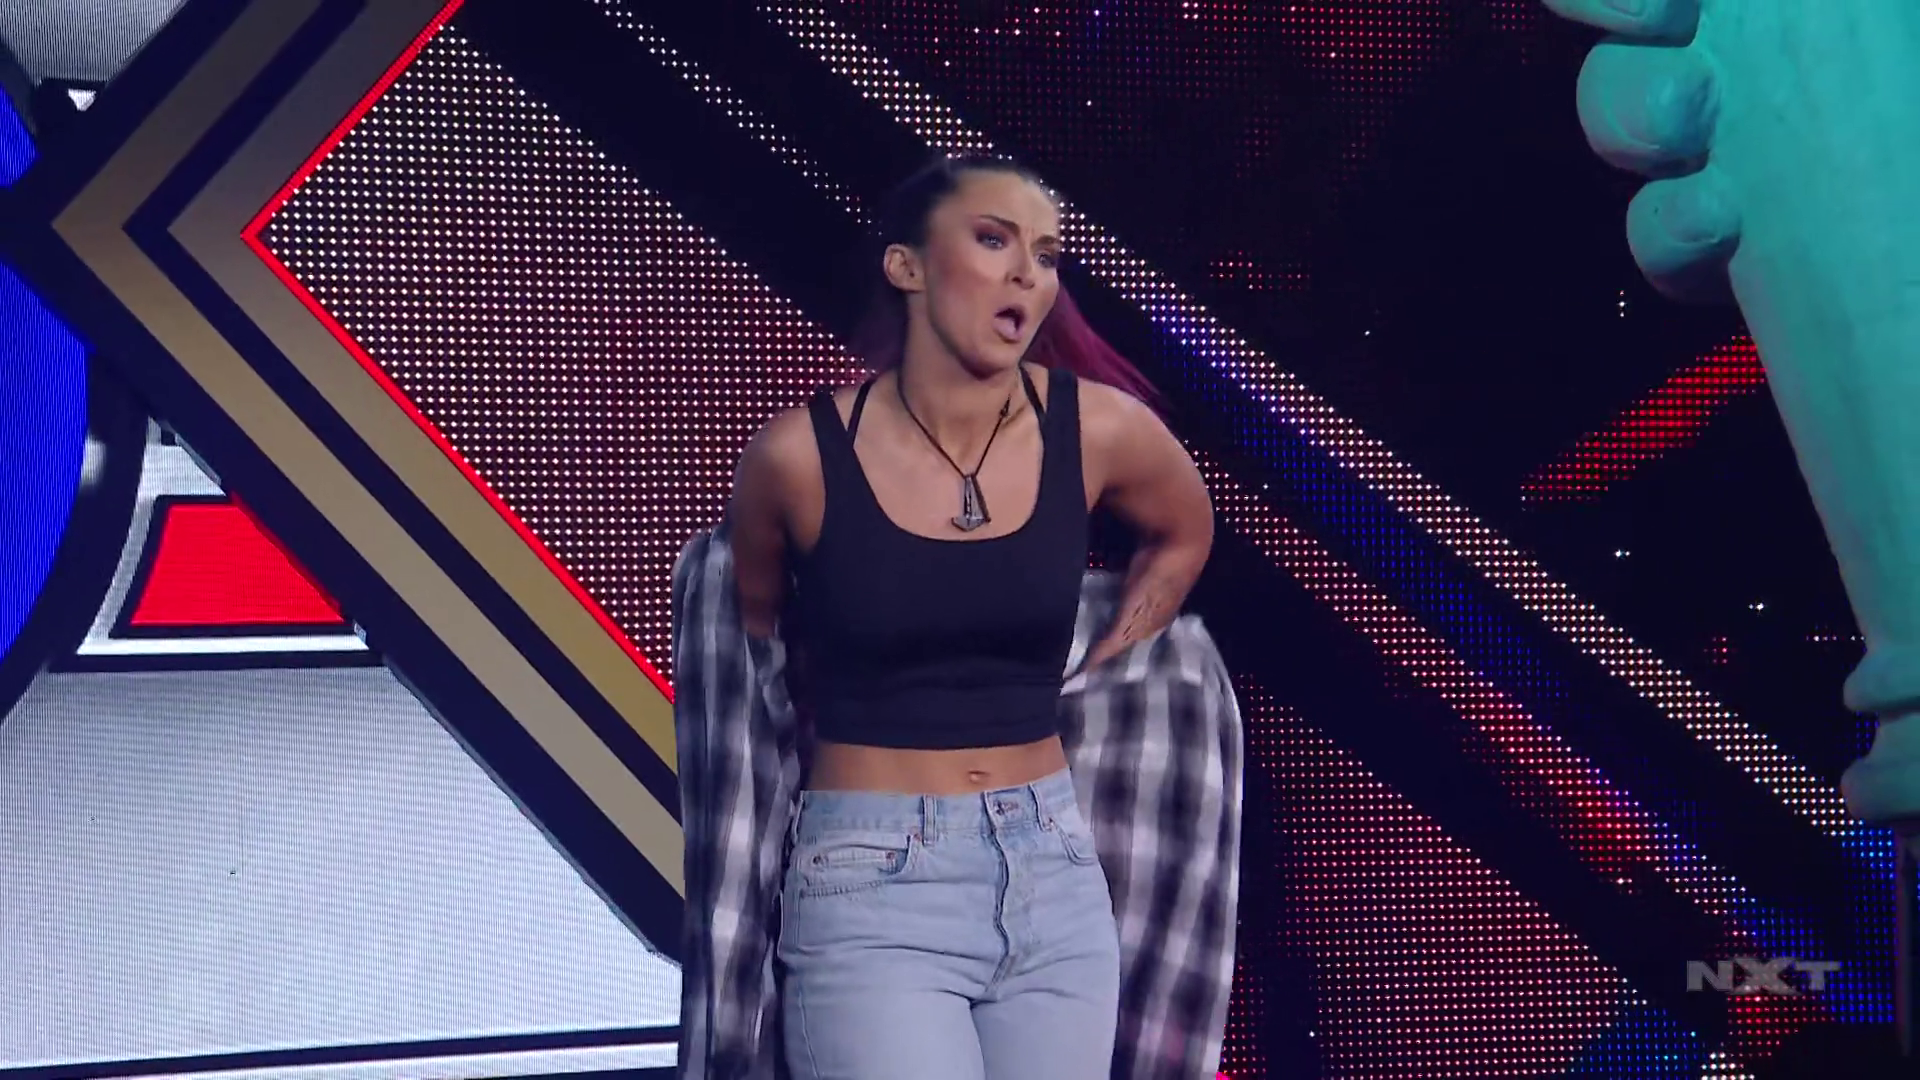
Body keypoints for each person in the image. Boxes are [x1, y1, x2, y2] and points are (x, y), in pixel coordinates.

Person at [723, 153, 1215, 1080]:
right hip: (871, 876)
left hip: (1052, 865)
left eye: (1048, 254)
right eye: (994, 240)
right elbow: (745, 665)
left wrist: (1108, 662)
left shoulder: (1098, 429)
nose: (1029, 273)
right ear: (906, 266)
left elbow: (1185, 531)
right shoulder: (798, 457)